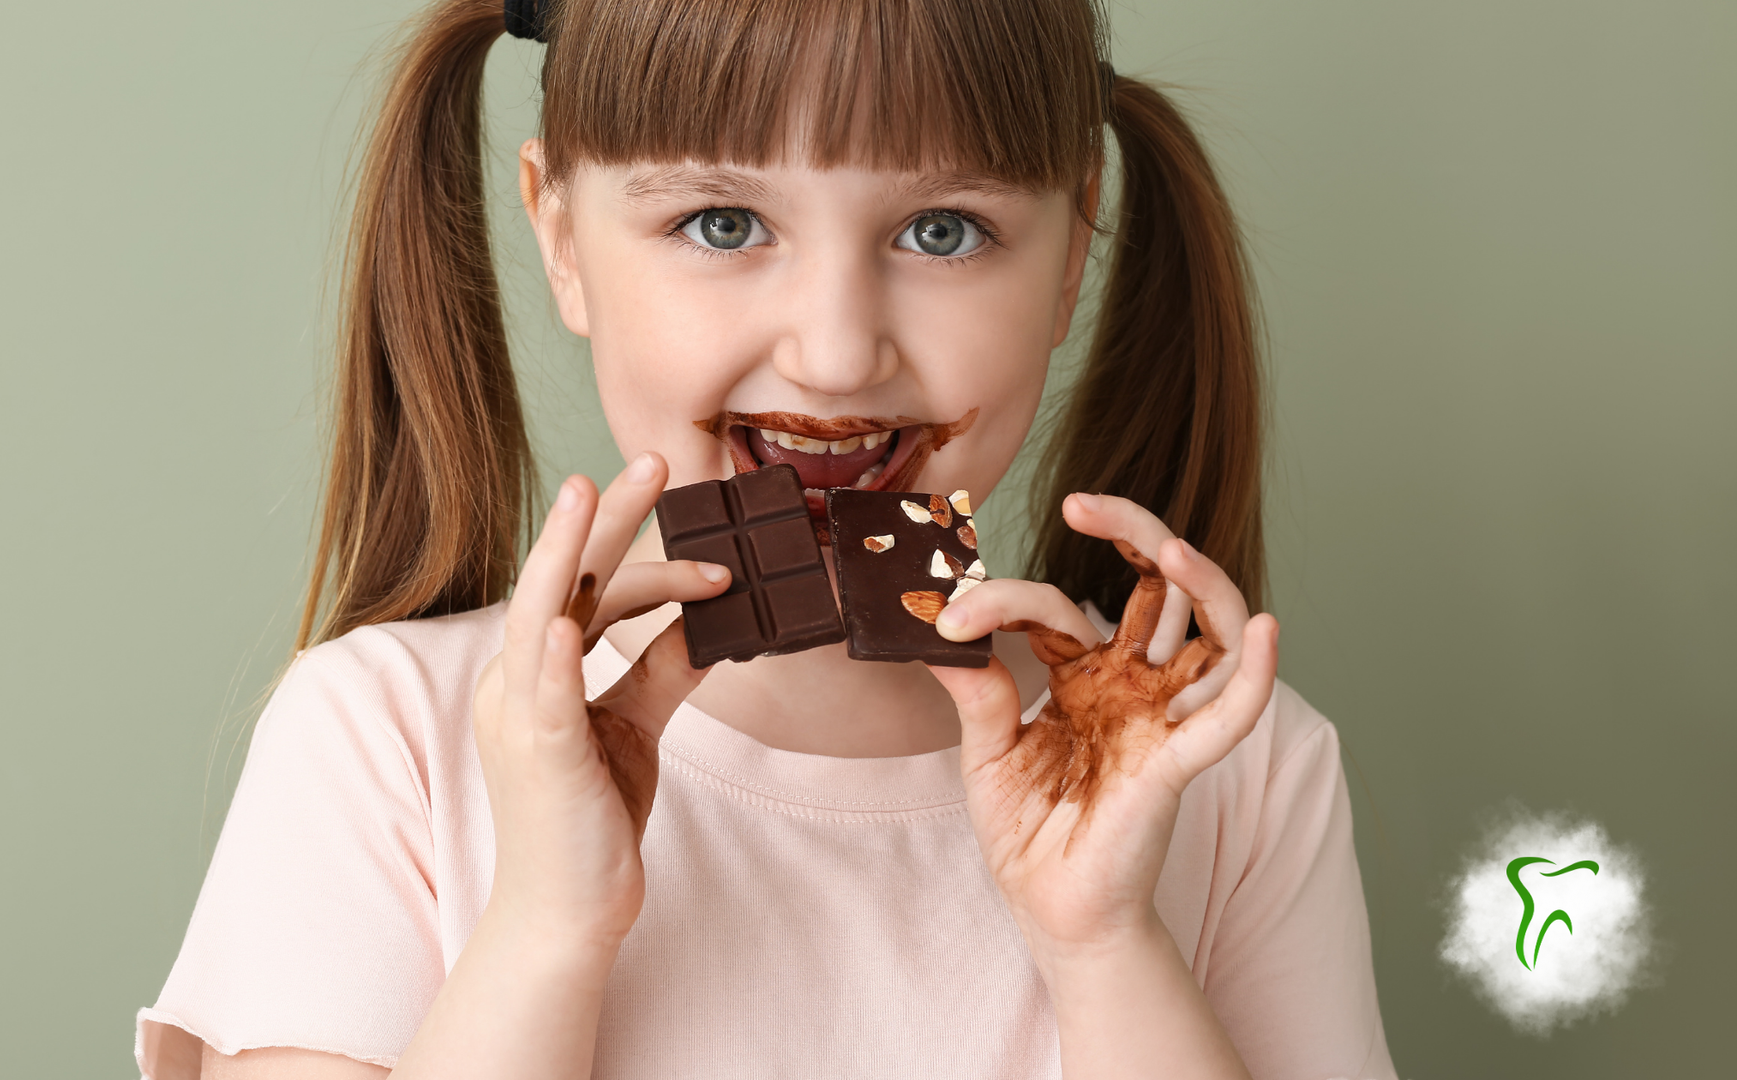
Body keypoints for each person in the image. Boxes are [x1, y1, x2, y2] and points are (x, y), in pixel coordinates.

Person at [137, 0, 1398, 1076]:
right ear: (563, 238)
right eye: (725, 226)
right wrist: (545, 925)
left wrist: (1104, 944)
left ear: (1073, 253)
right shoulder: (387, 738)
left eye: (941, 230)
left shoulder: (1233, 773)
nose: (838, 351)